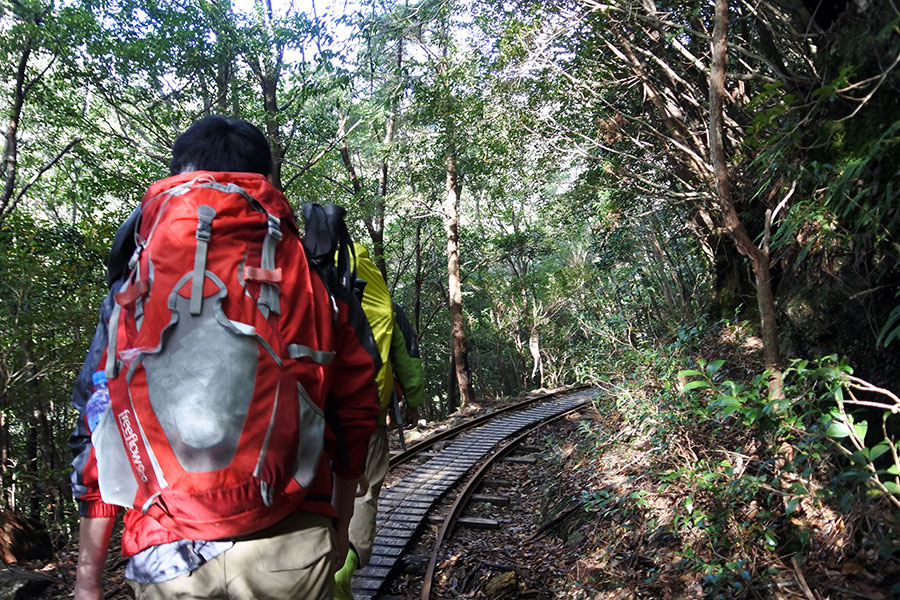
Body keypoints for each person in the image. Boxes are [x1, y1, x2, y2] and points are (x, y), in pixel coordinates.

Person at [70, 116, 379, 600]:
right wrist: (340, 523)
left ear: (178, 174)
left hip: (165, 549)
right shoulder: (309, 272)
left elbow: (98, 421)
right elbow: (357, 410)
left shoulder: (135, 280)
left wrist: (88, 579)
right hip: (290, 536)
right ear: (264, 176)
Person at [333, 244, 425, 600]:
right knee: (363, 492)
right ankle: (345, 566)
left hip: (312, 414)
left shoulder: (309, 290)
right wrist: (413, 402)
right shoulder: (387, 306)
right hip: (366, 415)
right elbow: (408, 358)